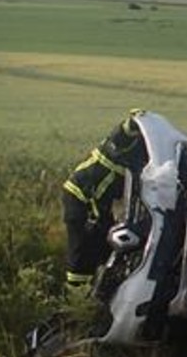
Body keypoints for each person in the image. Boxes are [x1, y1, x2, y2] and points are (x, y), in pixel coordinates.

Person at [62, 111, 147, 288]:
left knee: (104, 240)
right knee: (83, 246)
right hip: (81, 194)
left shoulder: (142, 154)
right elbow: (123, 131)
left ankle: (94, 288)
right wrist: (136, 121)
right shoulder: (122, 142)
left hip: (96, 198)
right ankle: (75, 296)